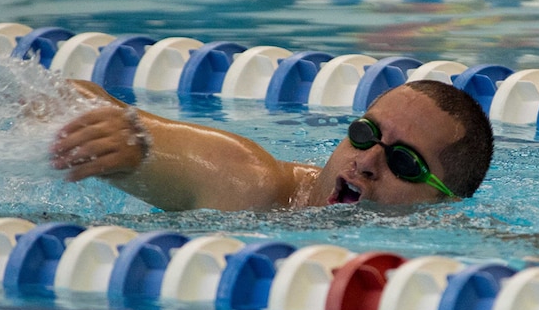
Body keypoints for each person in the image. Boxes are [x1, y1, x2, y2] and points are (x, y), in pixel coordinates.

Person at [50, 79, 494, 211]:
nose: (367, 160)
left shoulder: (447, 235)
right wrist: (136, 149)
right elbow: (77, 101)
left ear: (443, 202)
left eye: (404, 160)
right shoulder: (253, 187)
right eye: (365, 133)